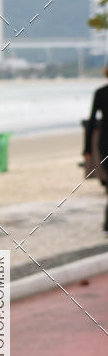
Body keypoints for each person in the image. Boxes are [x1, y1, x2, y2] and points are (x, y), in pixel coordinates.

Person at [83, 63, 108, 232]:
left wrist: (87, 149)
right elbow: (91, 121)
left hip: (105, 143)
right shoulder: (99, 92)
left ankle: (107, 224)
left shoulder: (100, 93)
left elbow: (91, 123)